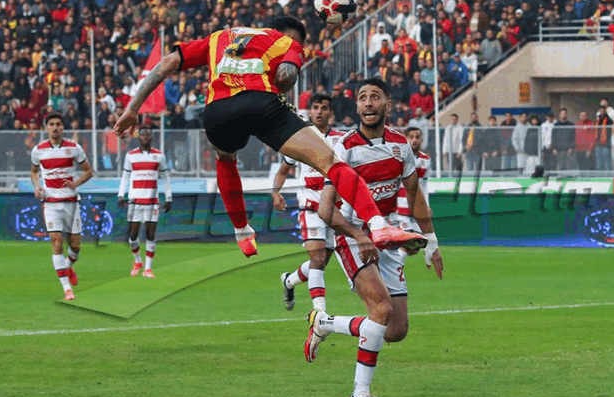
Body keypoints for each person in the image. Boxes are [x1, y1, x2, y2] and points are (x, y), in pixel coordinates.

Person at [114, 16, 426, 257]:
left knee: (225, 158)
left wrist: (132, 109)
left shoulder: (219, 37)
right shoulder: (287, 43)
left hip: (217, 111)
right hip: (262, 103)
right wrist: (281, 76)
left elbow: (168, 62)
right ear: (293, 36)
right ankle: (378, 225)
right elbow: (287, 76)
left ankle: (241, 231)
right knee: (331, 162)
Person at [304, 79, 443, 397]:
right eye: (362, 98)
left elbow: (415, 196)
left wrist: (432, 242)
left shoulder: (400, 146)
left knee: (396, 329)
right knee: (380, 311)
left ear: (387, 105)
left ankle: (325, 323)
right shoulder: (344, 148)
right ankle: (359, 394)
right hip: (352, 237)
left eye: (375, 97)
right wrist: (358, 234)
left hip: (386, 236)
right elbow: (326, 210)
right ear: (357, 107)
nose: (368, 103)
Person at [272, 92, 346, 312]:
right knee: (318, 259)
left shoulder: (341, 140)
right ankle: (319, 315)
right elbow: (283, 170)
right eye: (315, 107)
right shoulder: (300, 140)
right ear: (310, 111)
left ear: (331, 112)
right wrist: (276, 192)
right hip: (310, 207)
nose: (319, 112)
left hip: (334, 209)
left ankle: (289, 281)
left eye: (324, 108)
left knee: (320, 262)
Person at [30, 113, 94, 301]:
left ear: (62, 127)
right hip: (51, 203)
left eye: (58, 124)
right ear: (46, 127)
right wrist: (37, 186)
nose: (55, 127)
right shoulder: (38, 150)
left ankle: (68, 266)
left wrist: (76, 183)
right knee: (56, 242)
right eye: (51, 124)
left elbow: (89, 171)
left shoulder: (74, 148)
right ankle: (67, 289)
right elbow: (34, 172)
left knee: (76, 247)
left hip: (72, 202)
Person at [117, 126, 172, 279]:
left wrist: (169, 198)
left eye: (148, 134)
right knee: (132, 236)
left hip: (152, 201)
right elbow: (125, 177)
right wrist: (120, 195)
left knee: (150, 234)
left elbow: (165, 178)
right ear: (139, 137)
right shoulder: (131, 156)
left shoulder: (159, 156)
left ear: (152, 137)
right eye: (143, 135)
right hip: (134, 201)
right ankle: (138, 261)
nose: (145, 137)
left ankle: (148, 269)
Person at [396, 126, 431, 233]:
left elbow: (424, 185)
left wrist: (427, 205)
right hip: (400, 208)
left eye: (417, 137)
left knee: (418, 241)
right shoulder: (398, 158)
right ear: (405, 139)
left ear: (422, 140)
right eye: (411, 137)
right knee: (407, 239)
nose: (414, 140)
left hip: (418, 207)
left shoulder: (426, 160)